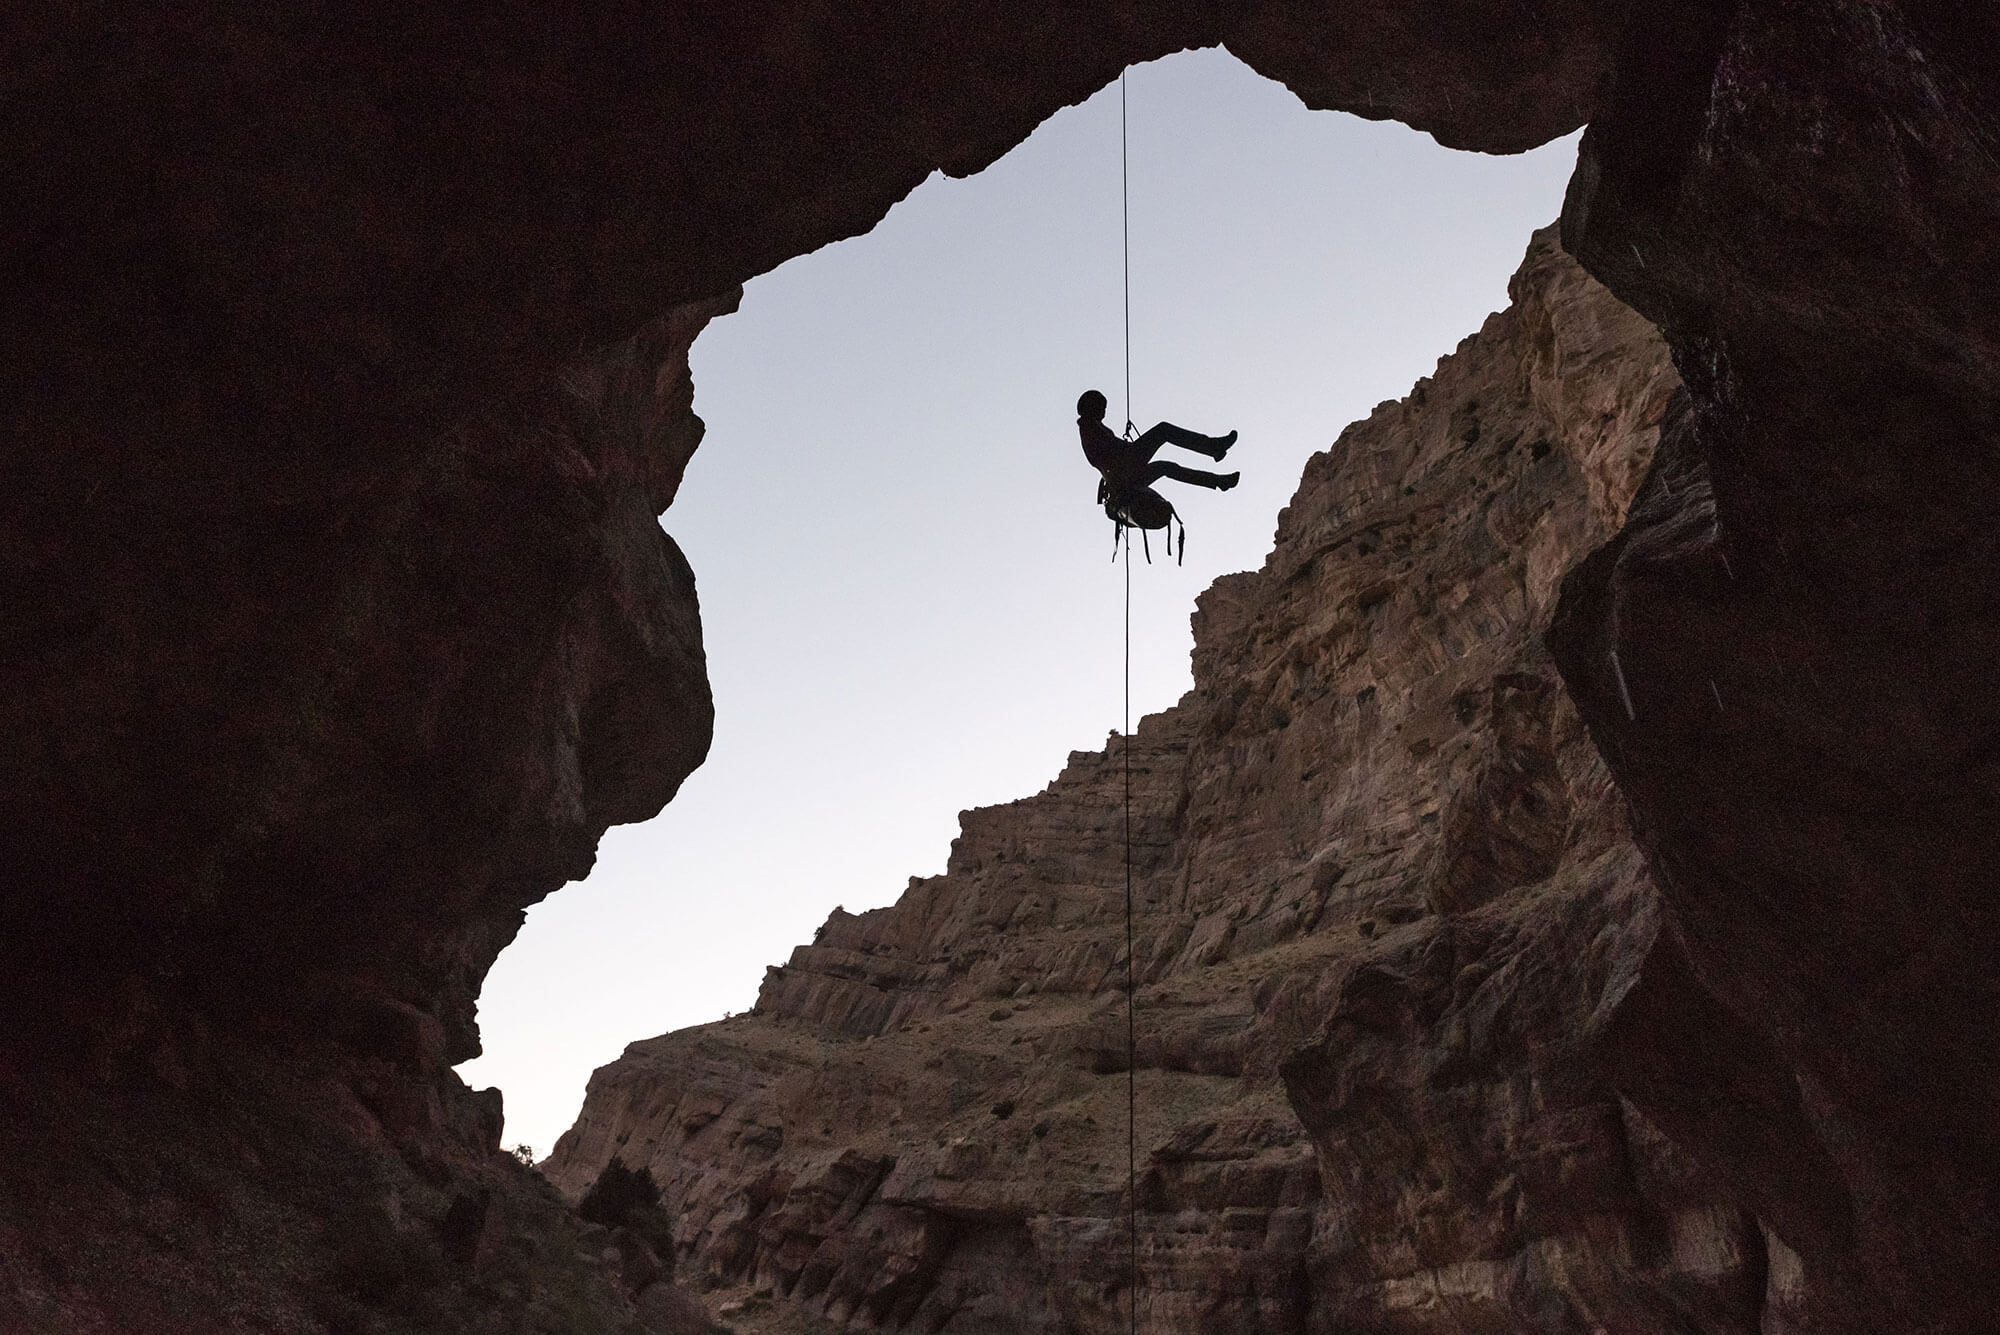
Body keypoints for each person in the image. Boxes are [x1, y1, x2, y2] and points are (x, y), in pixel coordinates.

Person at [1075, 389, 1238, 497]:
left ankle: (1218, 481)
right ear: (1092, 407)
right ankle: (1213, 447)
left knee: (1166, 467)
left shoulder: (1091, 427)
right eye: (1102, 407)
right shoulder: (1089, 426)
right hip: (1125, 467)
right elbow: (1100, 456)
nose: (1104, 411)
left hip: (1124, 478)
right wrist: (1126, 448)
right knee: (1163, 430)